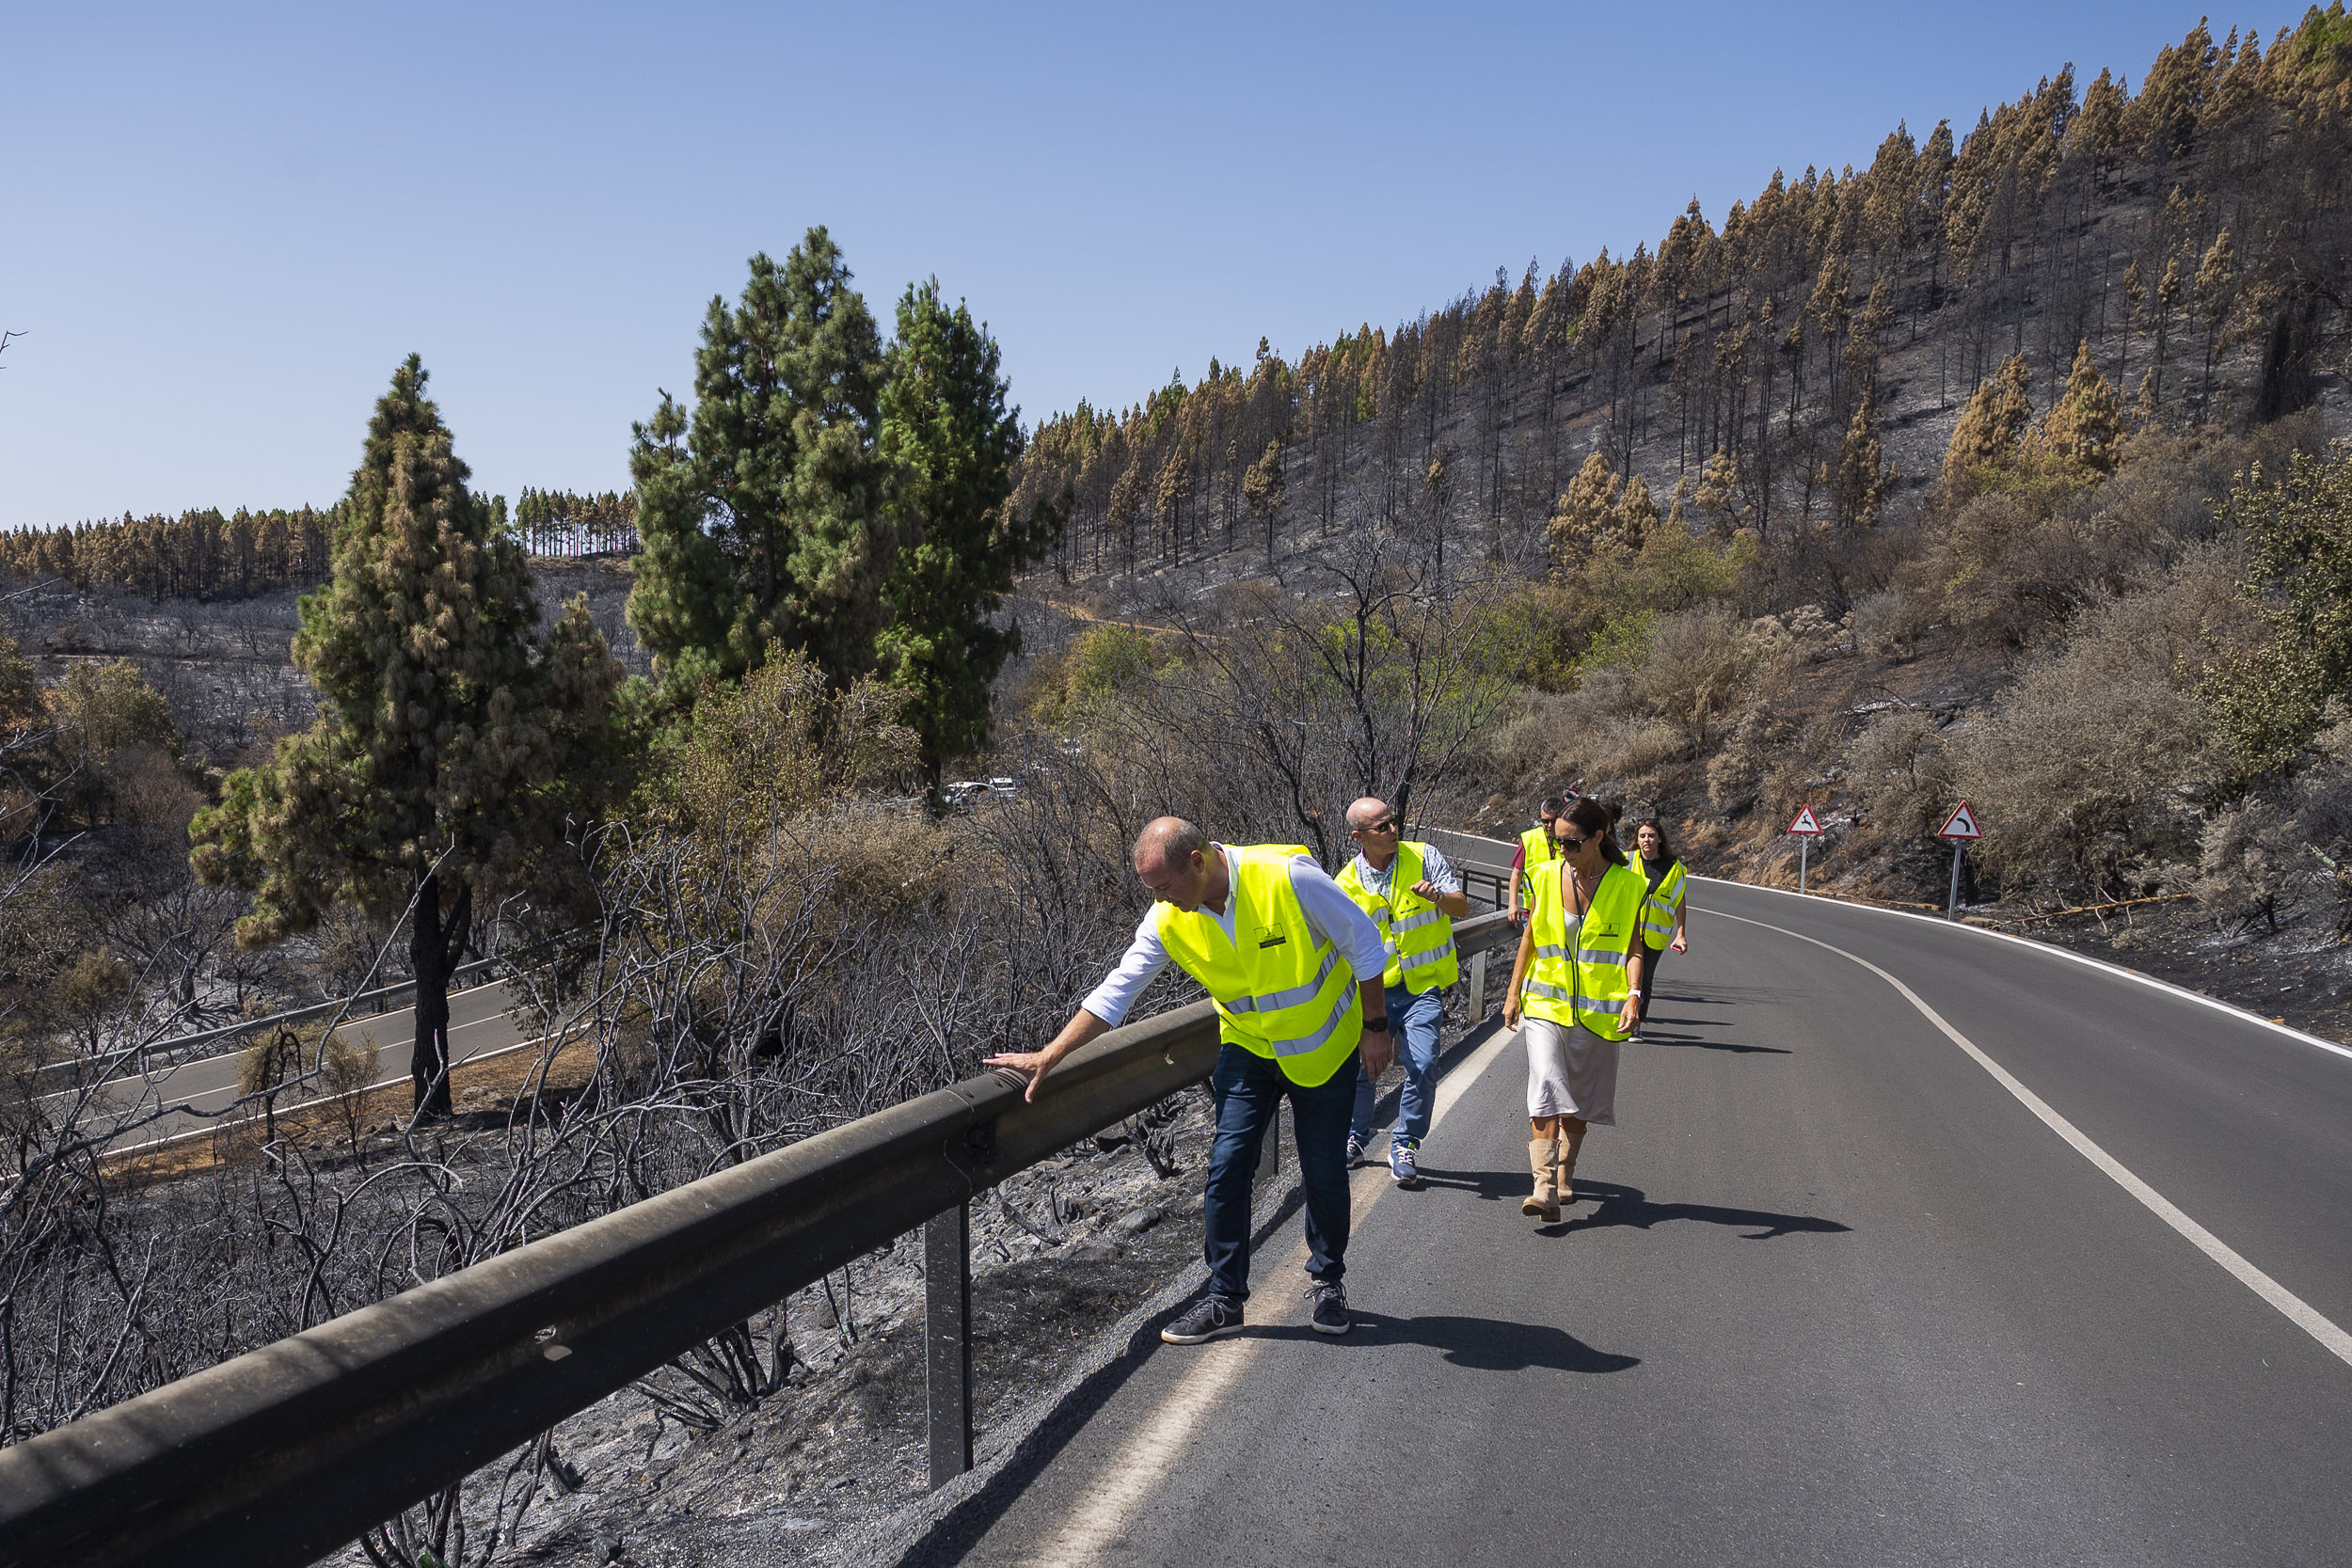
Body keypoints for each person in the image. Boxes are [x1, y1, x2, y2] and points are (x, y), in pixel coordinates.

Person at [985, 817, 1393, 1342]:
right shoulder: (1168, 919)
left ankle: (1328, 1283)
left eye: (1164, 885)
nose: (1160, 898)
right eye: (1152, 890)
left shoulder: (1287, 877)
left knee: (1323, 1172)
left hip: (1323, 1047)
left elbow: (1363, 944)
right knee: (1225, 1170)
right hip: (1249, 1048)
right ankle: (1225, 1300)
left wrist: (1376, 1027)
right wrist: (1052, 1053)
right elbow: (1119, 990)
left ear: (1198, 862)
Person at [1499, 797, 1676, 1221]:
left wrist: (1634, 993)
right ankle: (1542, 1186)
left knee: (1578, 1100)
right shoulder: (1542, 876)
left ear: (1599, 837)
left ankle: (1565, 1171)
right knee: (1544, 1083)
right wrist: (1512, 992)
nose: (1563, 850)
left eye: (1572, 843)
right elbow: (1531, 939)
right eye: (1557, 842)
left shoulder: (1629, 885)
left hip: (1599, 1011)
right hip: (1545, 1003)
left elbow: (1635, 946)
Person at [1334, 797, 1470, 1187]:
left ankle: (1406, 1142)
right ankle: (1356, 1137)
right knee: (1364, 1071)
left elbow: (1461, 908)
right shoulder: (1344, 884)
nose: (1393, 830)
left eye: (1393, 822)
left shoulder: (1424, 856)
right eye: (1382, 827)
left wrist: (1437, 897)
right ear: (1359, 836)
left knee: (1424, 1065)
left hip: (1422, 988)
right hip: (1372, 993)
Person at [1629, 818, 1689, 1043]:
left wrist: (1681, 933)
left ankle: (1636, 1025)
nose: (1646, 840)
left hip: (1655, 935)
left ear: (1660, 839)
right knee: (1619, 975)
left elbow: (1679, 900)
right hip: (1626, 931)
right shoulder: (1627, 861)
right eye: (1642, 836)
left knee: (1644, 980)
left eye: (1651, 835)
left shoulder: (1674, 868)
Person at [1505, 796, 1570, 927]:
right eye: (1545, 821)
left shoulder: (1571, 841)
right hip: (1532, 913)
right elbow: (1516, 874)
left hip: (1563, 913)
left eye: (1554, 820)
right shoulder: (1528, 839)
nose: (1550, 825)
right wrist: (1512, 904)